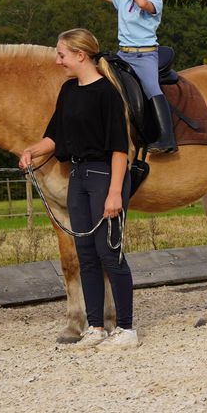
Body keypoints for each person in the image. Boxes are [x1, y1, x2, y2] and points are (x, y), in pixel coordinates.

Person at [17, 28, 139, 350]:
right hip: (79, 176)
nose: (58, 61)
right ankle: (96, 327)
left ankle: (127, 329)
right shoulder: (69, 91)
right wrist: (31, 150)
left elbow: (119, 149)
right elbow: (54, 137)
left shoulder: (108, 94)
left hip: (104, 176)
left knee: (110, 253)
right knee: (86, 255)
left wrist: (115, 192)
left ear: (80, 55)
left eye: (62, 55)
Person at [90, 0, 176, 152]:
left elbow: (142, 3)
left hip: (145, 55)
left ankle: (167, 138)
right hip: (123, 54)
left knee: (151, 88)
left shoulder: (156, 2)